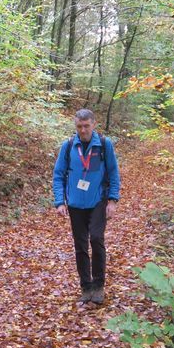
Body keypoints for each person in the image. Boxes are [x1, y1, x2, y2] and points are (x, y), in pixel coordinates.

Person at [52, 109, 121, 305]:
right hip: (75, 203)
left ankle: (99, 286)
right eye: (79, 127)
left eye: (86, 126)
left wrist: (113, 200)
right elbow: (58, 175)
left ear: (94, 124)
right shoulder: (68, 146)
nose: (83, 130)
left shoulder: (104, 145)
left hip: (97, 201)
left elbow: (114, 173)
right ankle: (86, 286)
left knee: (97, 239)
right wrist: (59, 201)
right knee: (80, 245)